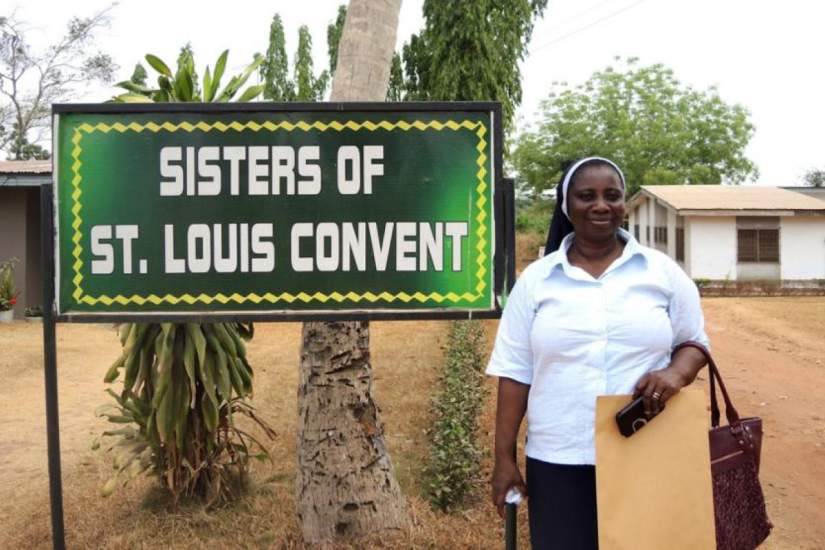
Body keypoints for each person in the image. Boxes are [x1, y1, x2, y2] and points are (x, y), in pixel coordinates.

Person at [487, 157, 710, 549]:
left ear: (624, 203)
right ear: (566, 205)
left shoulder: (661, 273)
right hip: (558, 457)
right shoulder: (537, 282)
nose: (600, 205)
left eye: (612, 195)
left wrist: (675, 374)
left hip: (647, 448)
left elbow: (694, 343)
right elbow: (515, 372)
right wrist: (503, 457)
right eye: (586, 196)